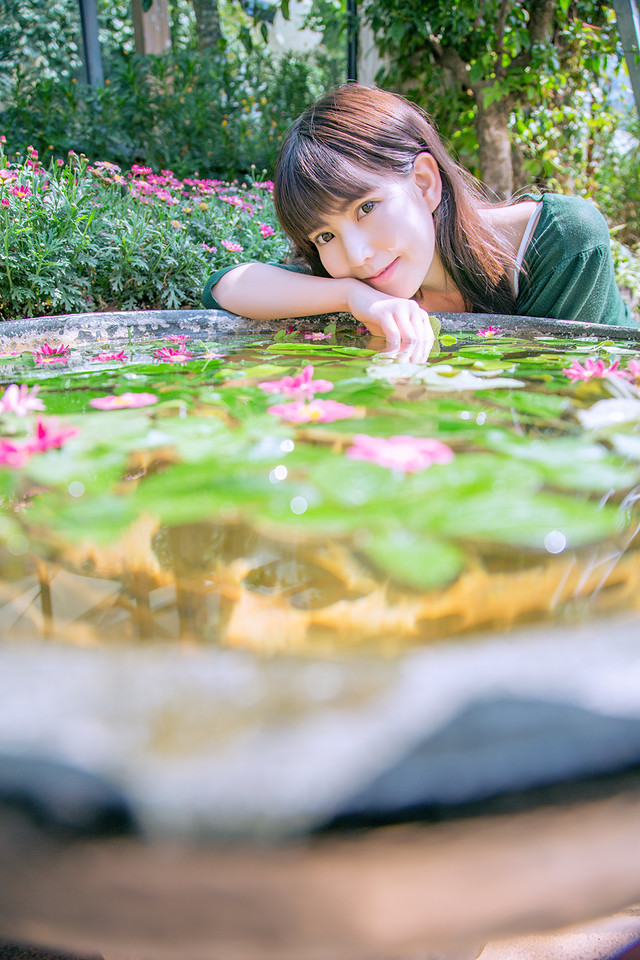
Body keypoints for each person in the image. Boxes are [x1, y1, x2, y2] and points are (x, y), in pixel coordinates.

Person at [202, 83, 635, 344]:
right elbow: (225, 287)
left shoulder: (560, 242)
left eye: (366, 207)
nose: (357, 255)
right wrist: (352, 297)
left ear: (425, 183)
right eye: (324, 235)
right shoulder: (357, 280)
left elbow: (553, 412)